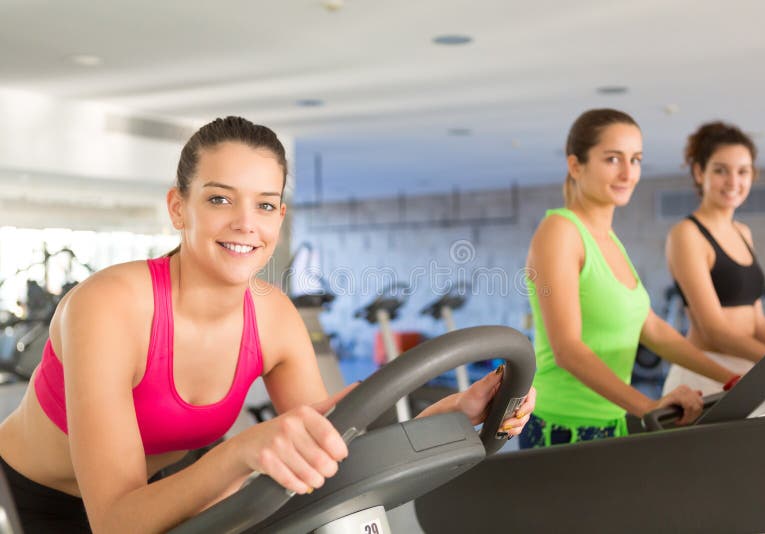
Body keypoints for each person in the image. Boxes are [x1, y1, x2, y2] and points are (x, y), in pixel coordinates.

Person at [0, 116, 535, 533]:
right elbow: (114, 523)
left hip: (158, 490)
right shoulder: (110, 307)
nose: (244, 224)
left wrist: (448, 414)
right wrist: (239, 449)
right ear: (178, 207)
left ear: (280, 218)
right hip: (26, 499)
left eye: (264, 204)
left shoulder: (273, 316)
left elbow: (334, 440)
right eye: (219, 199)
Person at [518, 109, 738, 449]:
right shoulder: (559, 232)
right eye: (612, 159)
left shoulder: (609, 239)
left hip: (610, 423)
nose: (628, 173)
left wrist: (730, 379)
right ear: (576, 165)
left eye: (635, 160)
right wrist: (647, 406)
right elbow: (567, 349)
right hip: (561, 430)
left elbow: (650, 328)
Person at [663, 121, 765, 394]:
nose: (733, 182)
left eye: (743, 171)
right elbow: (713, 330)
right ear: (699, 172)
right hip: (705, 373)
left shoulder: (743, 232)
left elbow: (758, 322)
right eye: (720, 170)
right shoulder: (687, 234)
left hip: (747, 369)